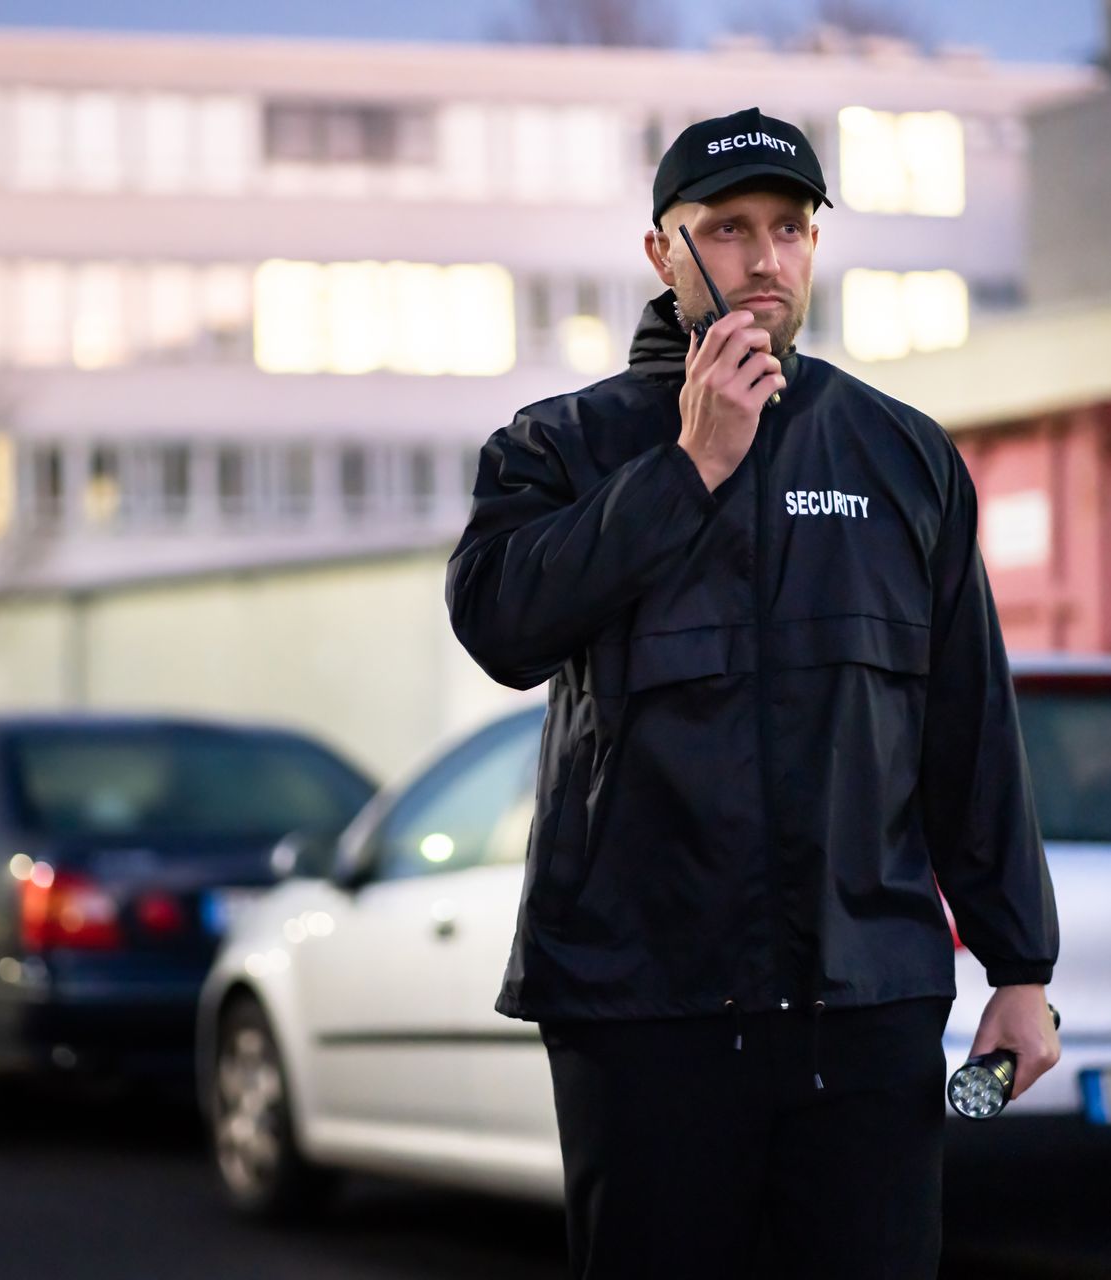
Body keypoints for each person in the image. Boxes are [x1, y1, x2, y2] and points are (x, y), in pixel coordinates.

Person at [444, 107, 1061, 1278]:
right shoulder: (560, 446)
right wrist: (691, 467)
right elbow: (501, 627)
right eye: (728, 229)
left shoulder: (902, 455)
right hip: (645, 1012)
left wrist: (1020, 968)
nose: (764, 258)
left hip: (865, 1011)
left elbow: (968, 732)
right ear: (662, 251)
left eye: (790, 227)